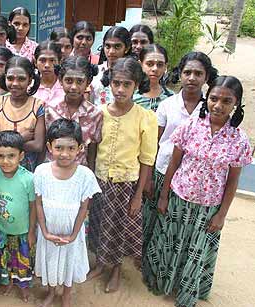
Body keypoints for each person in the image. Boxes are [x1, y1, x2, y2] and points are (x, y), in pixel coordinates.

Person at [145, 76, 252, 307]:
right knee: (169, 242)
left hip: (208, 207)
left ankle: (186, 293)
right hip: (178, 198)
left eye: (226, 101)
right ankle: (162, 283)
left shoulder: (239, 140)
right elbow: (173, 164)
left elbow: (233, 181)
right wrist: (163, 196)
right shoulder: (191, 126)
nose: (218, 105)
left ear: (236, 104)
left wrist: (221, 214)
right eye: (214, 98)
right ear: (207, 98)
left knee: (196, 249)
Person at [141, 51, 218, 281]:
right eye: (187, 72)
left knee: (174, 227)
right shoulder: (167, 105)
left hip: (193, 180)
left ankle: (174, 271)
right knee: (153, 218)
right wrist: (150, 177)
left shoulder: (211, 107)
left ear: (206, 77)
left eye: (198, 73)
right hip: (164, 169)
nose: (192, 78)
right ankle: (148, 266)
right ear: (180, 75)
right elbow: (155, 141)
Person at [88, 57, 157, 293]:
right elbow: (93, 147)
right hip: (100, 181)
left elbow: (147, 159)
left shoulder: (145, 117)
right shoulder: (100, 113)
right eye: (116, 83)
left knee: (119, 228)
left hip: (126, 186)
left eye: (126, 84)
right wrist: (90, 179)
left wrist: (138, 195)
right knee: (99, 225)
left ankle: (115, 270)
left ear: (136, 85)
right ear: (109, 82)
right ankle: (99, 263)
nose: (120, 89)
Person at [34, 118, 101, 307]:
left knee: (68, 264)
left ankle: (66, 295)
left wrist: (73, 235)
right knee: (50, 261)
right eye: (59, 147)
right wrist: (45, 232)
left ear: (80, 148)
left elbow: (83, 208)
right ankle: (51, 292)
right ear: (49, 146)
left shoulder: (85, 175)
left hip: (72, 233)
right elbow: (38, 204)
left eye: (71, 148)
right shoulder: (41, 172)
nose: (65, 154)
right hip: (48, 232)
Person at [0, 131, 36, 302]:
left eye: (11, 156)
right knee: (5, 259)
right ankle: (8, 281)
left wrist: (32, 231)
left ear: (21, 156)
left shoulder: (28, 179)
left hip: (22, 232)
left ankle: (23, 286)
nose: (5, 161)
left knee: (23, 261)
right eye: (0, 156)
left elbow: (33, 207)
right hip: (1, 229)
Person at [0, 56, 44, 172]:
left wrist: (2, 142)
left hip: (27, 167)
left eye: (21, 79)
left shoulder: (37, 106)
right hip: (1, 166)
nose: (15, 83)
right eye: (10, 78)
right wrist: (21, 138)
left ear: (30, 79)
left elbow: (38, 145)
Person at [44, 56, 103, 170]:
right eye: (69, 81)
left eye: (80, 81)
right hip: (52, 171)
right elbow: (44, 145)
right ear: (60, 80)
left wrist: (90, 173)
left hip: (79, 171)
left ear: (88, 82)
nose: (74, 87)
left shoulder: (95, 114)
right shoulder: (49, 109)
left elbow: (92, 149)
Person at [91, 26, 131, 106]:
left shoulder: (132, 73)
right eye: (108, 46)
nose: (111, 51)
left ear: (127, 48)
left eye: (117, 47)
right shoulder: (96, 72)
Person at [133, 44, 173, 111]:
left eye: (160, 65)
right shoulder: (129, 96)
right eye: (149, 64)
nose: (155, 69)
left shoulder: (171, 98)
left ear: (165, 67)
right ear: (140, 65)